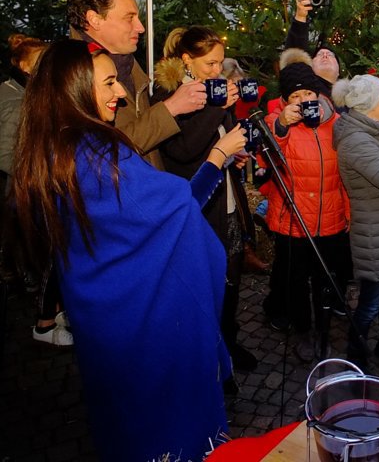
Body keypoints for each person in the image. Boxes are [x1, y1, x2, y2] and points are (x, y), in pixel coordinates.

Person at [13, 39, 246, 462]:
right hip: (147, 326)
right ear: (75, 88)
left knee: (125, 424)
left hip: (101, 318)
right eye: (108, 84)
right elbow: (179, 211)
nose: (121, 93)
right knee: (165, 431)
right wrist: (218, 155)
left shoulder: (50, 149)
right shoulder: (101, 153)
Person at [152, 26, 258, 374]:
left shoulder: (214, 89)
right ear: (187, 60)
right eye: (210, 64)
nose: (217, 70)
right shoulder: (167, 95)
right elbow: (181, 151)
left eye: (219, 63)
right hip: (197, 201)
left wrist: (235, 153)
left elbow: (222, 137)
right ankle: (207, 357)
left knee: (231, 275)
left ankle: (228, 342)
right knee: (206, 281)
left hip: (226, 196)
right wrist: (217, 108)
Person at [260, 55, 351, 362]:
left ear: (318, 95)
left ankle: (324, 332)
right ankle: (303, 333)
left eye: (307, 95)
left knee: (325, 281)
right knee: (296, 283)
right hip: (293, 221)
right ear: (286, 101)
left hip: (330, 218)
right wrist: (283, 125)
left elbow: (349, 172)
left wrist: (349, 213)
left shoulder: (337, 124)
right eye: (294, 96)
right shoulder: (276, 124)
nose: (302, 101)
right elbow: (263, 161)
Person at [67, 0, 206, 168]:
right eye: (129, 18)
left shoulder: (128, 64)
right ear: (95, 19)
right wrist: (170, 108)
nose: (140, 28)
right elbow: (101, 152)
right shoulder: (69, 75)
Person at [332, 75, 379, 369]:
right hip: (375, 234)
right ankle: (355, 357)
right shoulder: (355, 141)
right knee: (370, 303)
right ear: (369, 105)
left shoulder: (375, 130)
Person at [0, 35, 70, 345]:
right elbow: (10, 154)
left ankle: (54, 313)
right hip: (28, 194)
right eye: (40, 62)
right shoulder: (15, 99)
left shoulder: (28, 93)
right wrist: (44, 174)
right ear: (23, 65)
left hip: (35, 191)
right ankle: (44, 323)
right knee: (47, 258)